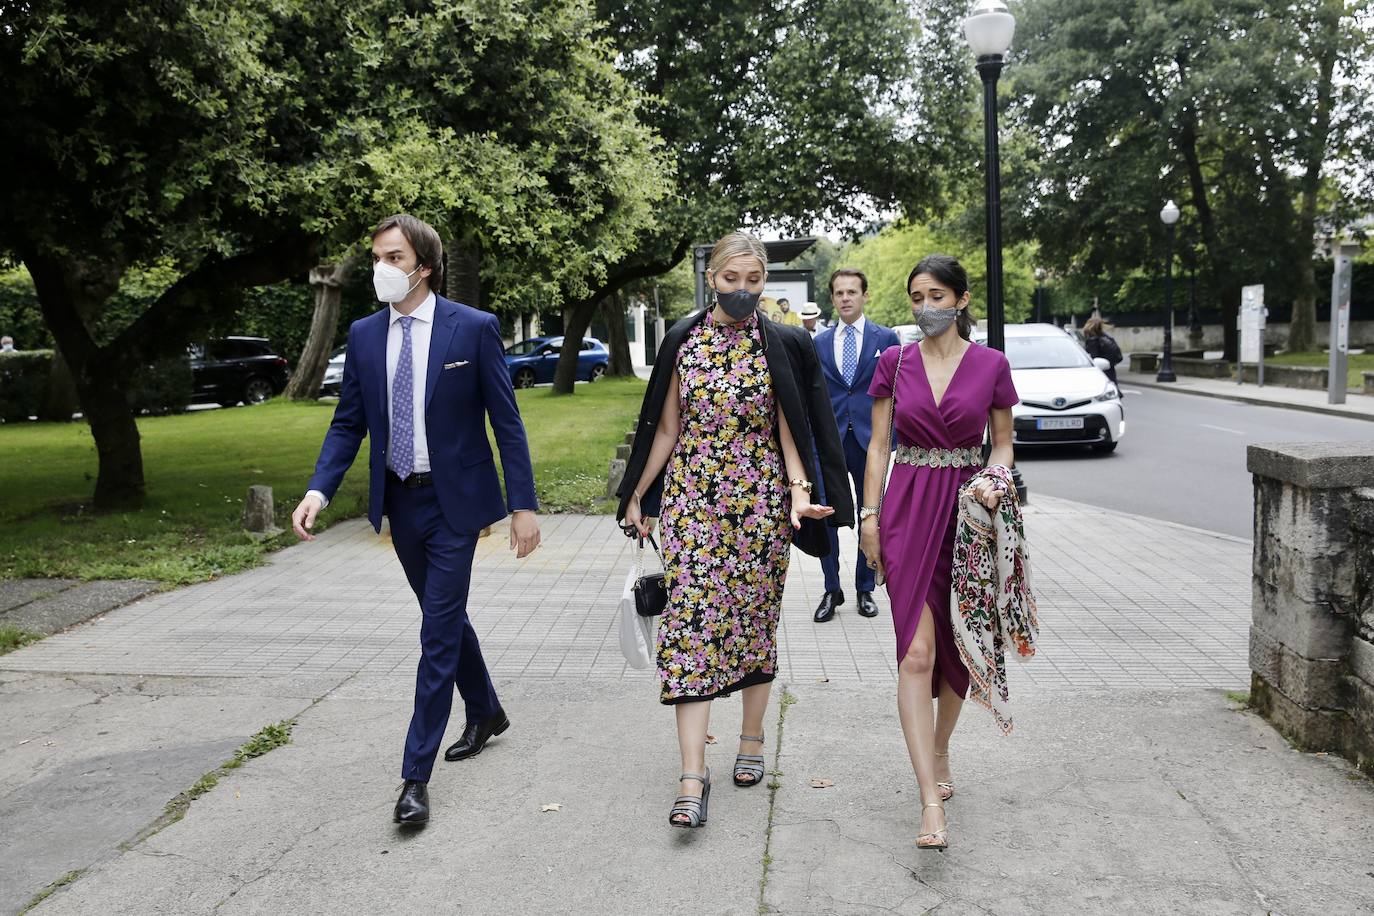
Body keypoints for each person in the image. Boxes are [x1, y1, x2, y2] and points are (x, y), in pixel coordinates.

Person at [291, 214, 541, 826]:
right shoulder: (365, 334)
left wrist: (523, 506)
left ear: (422, 266)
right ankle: (485, 709)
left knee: (435, 634)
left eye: (393, 257)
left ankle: (413, 778)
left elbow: (506, 423)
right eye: (377, 256)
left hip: (455, 502)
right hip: (399, 503)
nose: (381, 267)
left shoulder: (473, 329)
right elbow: (348, 421)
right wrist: (319, 491)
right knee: (444, 615)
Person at [618, 231, 853, 829]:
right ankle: (692, 777)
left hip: (759, 508)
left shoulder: (780, 343)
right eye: (732, 281)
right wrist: (638, 495)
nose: (743, 292)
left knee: (752, 623)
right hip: (694, 505)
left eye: (754, 282)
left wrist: (801, 496)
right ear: (712, 279)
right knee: (690, 630)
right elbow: (666, 431)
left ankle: (751, 739)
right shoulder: (683, 341)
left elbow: (789, 431)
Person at [859, 253, 1017, 852]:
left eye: (936, 296)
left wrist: (992, 481)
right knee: (917, 654)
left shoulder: (992, 366)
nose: (926, 308)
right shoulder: (893, 364)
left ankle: (943, 745)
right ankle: (929, 800)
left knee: (959, 652)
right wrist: (868, 518)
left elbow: (1002, 446)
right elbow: (878, 447)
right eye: (917, 297)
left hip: (970, 516)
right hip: (905, 511)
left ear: (961, 300)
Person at [811, 268, 899, 623]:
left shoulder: (887, 338)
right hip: (829, 442)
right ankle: (832, 588)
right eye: (839, 293)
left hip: (870, 439)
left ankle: (866, 588)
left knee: (870, 513)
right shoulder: (817, 343)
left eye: (852, 292)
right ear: (832, 298)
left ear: (865, 296)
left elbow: (898, 391)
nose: (846, 298)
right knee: (826, 517)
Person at [1081, 316, 1123, 388]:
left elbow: (1093, 358)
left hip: (1101, 372)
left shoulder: (1093, 341)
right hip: (1109, 368)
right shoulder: (1107, 337)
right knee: (1112, 387)